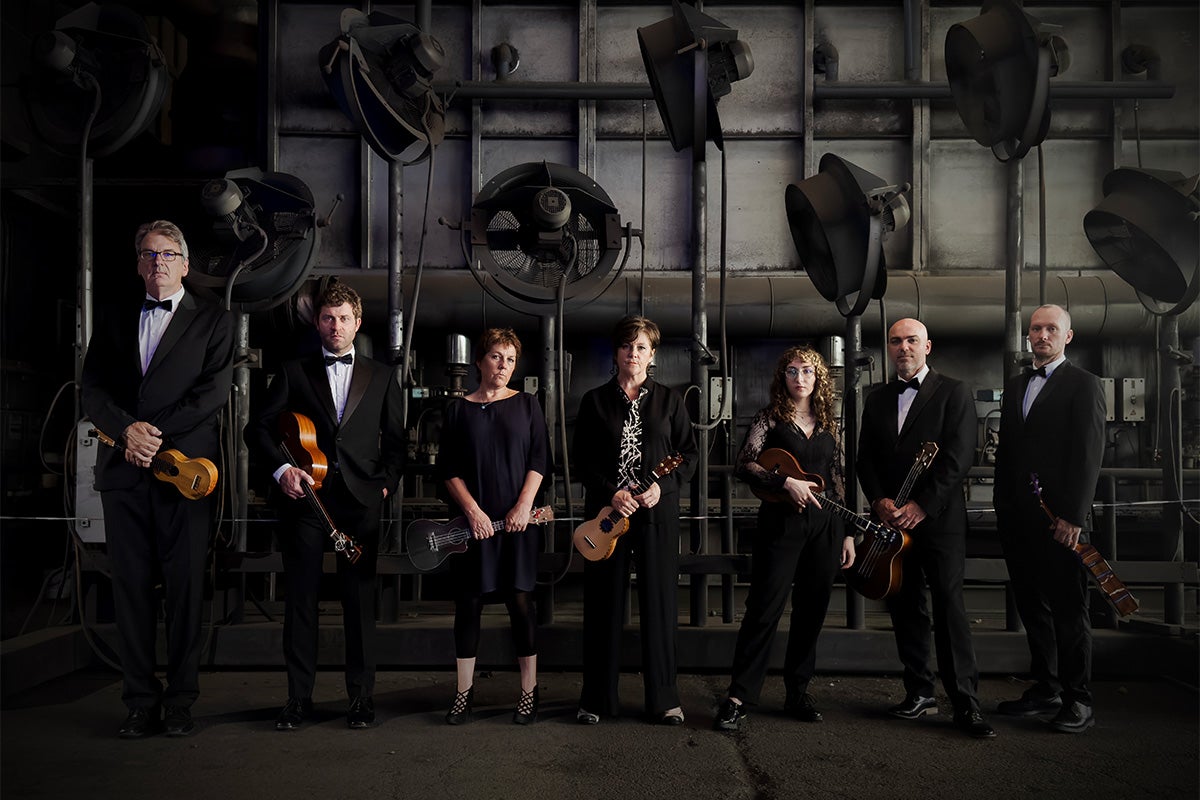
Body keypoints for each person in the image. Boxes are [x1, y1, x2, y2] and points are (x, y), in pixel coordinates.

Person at [81, 220, 235, 738]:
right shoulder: (114, 316)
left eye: (168, 254)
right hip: (124, 472)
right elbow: (93, 390)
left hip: (183, 475)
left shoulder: (215, 320)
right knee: (130, 592)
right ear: (138, 264)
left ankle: (181, 704)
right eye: (148, 254)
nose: (158, 263)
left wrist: (154, 435)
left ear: (186, 265)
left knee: (186, 590)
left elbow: (213, 394)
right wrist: (127, 431)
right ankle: (139, 702)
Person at [246, 282, 404, 731]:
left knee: (360, 604)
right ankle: (298, 699)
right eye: (328, 318)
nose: (335, 326)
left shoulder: (382, 374)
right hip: (305, 500)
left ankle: (361, 699)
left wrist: (386, 486)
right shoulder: (293, 371)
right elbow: (256, 429)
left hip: (361, 502)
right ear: (318, 322)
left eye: (343, 318)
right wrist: (282, 471)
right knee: (301, 602)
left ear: (358, 323)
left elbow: (396, 444)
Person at [856, 318, 995, 738]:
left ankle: (965, 703)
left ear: (927, 346)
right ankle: (919, 692)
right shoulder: (876, 397)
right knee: (905, 605)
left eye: (911, 340)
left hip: (938, 523)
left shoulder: (953, 391)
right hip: (892, 521)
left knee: (950, 608)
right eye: (896, 341)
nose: (903, 348)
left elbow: (959, 458)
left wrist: (922, 506)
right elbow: (865, 458)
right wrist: (879, 500)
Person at [713, 346, 855, 732]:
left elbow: (839, 477)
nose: (799, 378)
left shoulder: (829, 422)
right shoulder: (769, 418)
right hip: (780, 523)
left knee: (812, 610)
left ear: (818, 378)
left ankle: (797, 692)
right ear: (783, 378)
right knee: (764, 608)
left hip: (826, 526)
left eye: (807, 371)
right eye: (792, 371)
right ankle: (739, 696)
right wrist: (784, 481)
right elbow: (744, 464)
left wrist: (847, 534)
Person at [573, 315, 697, 725]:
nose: (634, 353)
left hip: (656, 516)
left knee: (660, 605)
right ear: (617, 352)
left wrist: (664, 487)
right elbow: (582, 461)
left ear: (652, 355)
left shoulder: (670, 400)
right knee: (603, 605)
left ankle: (664, 700)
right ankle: (595, 700)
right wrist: (612, 492)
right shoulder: (594, 401)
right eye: (627, 346)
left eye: (641, 347)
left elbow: (689, 455)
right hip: (607, 518)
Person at [993, 304, 1106, 734]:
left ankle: (1079, 700)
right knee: (1032, 608)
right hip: (1019, 521)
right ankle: (1046, 690)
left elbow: (1089, 455)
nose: (1042, 335)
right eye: (1036, 329)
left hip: (1063, 522)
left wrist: (1074, 516)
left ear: (1068, 336)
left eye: (1051, 329)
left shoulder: (1085, 385)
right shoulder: (1016, 384)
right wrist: (1004, 510)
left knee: (1069, 611)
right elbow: (1008, 453)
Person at [435, 328, 550, 725]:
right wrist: (472, 511)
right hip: (475, 525)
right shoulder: (457, 409)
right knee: (468, 603)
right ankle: (463, 694)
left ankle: (528, 693)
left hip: (517, 524)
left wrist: (523, 506)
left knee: (520, 602)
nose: (504, 366)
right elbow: (447, 469)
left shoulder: (528, 405)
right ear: (480, 361)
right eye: (497, 357)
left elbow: (539, 460)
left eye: (511, 360)